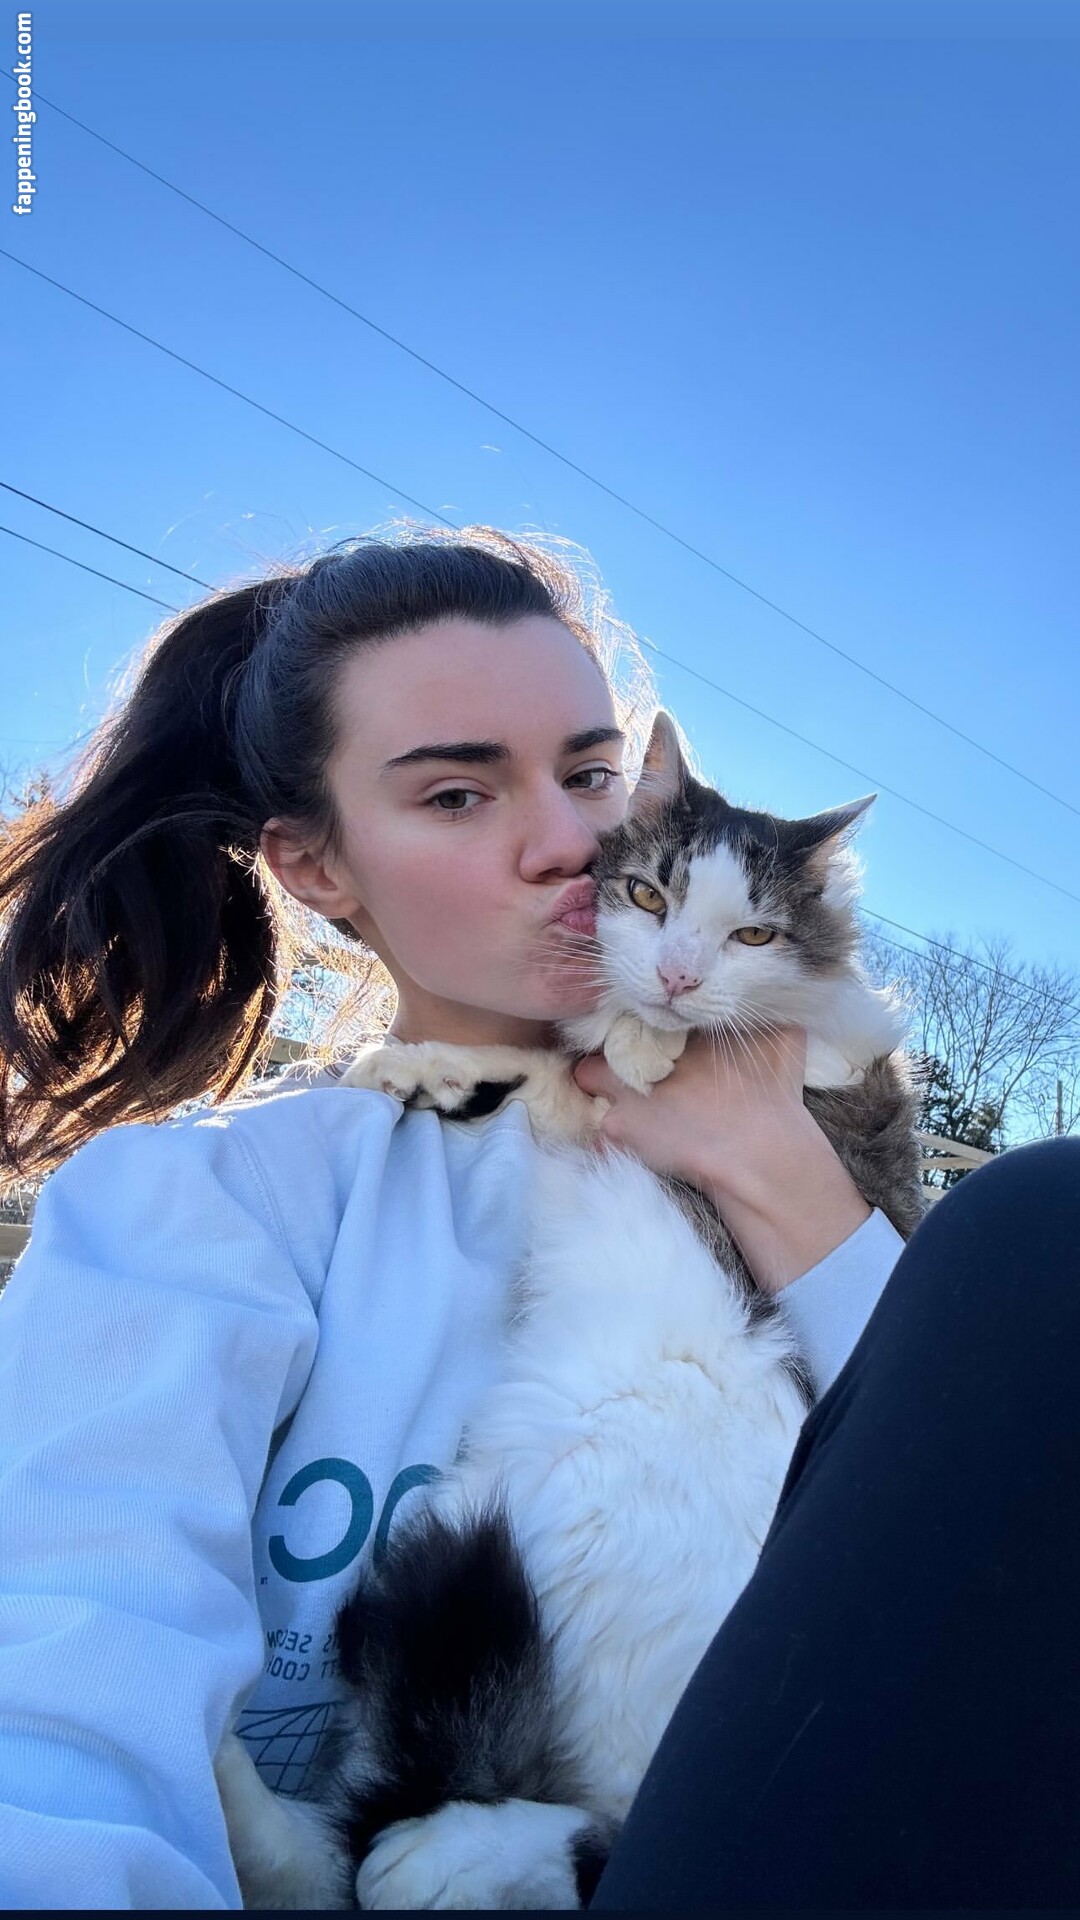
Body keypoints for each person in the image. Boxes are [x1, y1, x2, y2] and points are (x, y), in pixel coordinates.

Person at [0, 525, 1070, 1910]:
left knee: (1046, 1221)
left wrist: (780, 1175)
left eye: (590, 773)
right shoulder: (204, 1203)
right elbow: (62, 1676)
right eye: (457, 794)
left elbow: (978, 1557)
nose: (570, 844)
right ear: (317, 866)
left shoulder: (817, 1135)